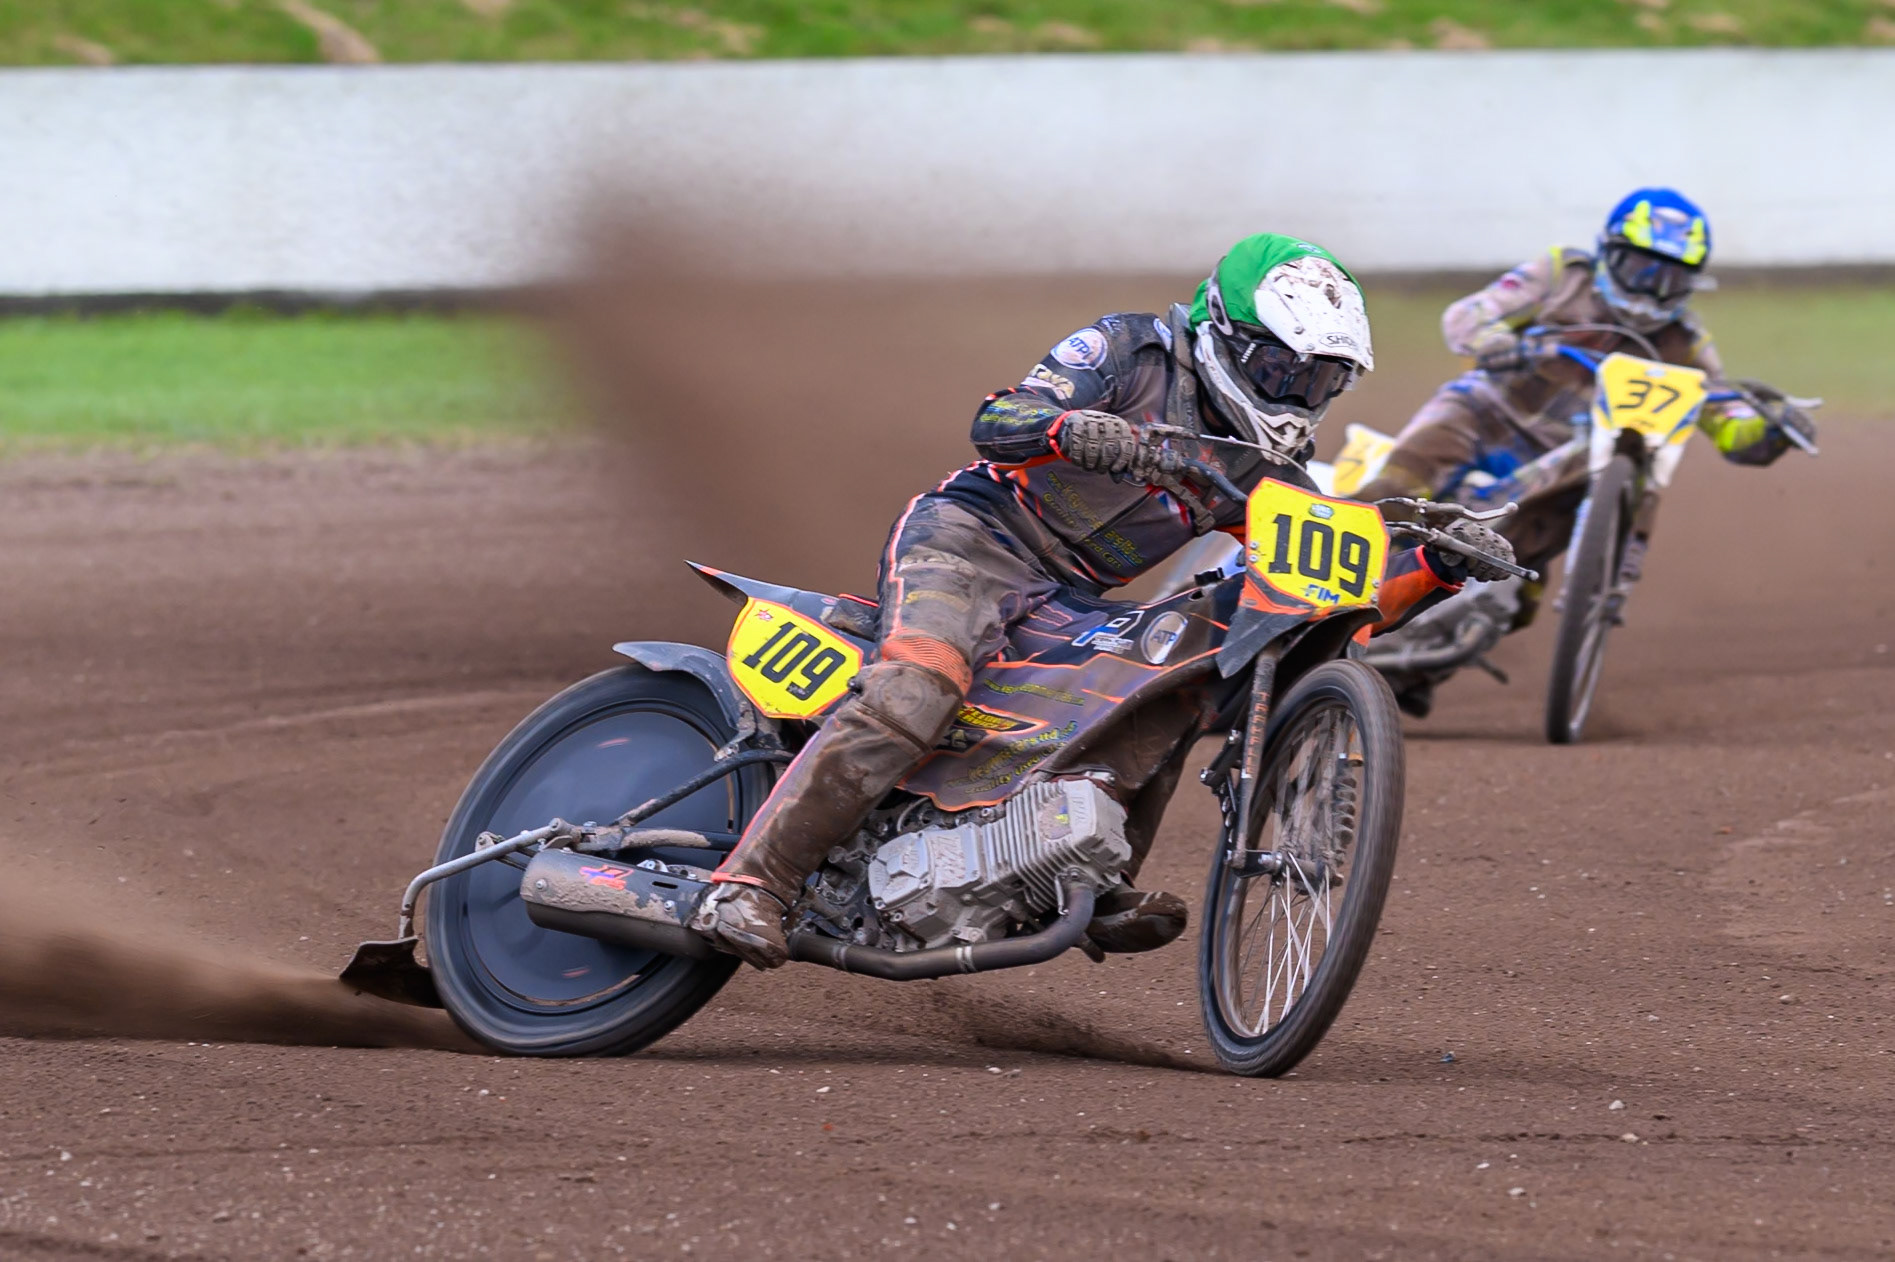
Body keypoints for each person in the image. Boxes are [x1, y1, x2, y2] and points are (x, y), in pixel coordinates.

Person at [694, 233, 1516, 970]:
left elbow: (1321, 595)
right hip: (971, 542)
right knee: (920, 684)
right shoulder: (1131, 350)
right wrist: (1070, 429)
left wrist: (1435, 564)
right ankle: (752, 882)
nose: (1296, 393)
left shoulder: (1267, 470)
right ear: (1226, 336)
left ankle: (1089, 874)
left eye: (1320, 380)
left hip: (1067, 594)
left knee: (1173, 678)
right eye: (1281, 370)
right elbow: (997, 416)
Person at [1355, 188, 1816, 508]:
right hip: (1490, 412)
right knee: (1392, 492)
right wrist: (1494, 342)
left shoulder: (1686, 342)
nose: (1651, 291)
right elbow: (1467, 314)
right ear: (1608, 254)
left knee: (1524, 591)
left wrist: (1769, 429)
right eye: (1640, 269)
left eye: (1670, 278)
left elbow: (1726, 420)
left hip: (1575, 460)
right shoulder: (1561, 275)